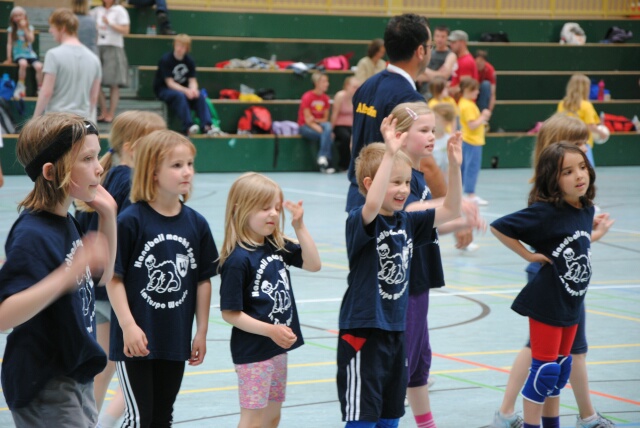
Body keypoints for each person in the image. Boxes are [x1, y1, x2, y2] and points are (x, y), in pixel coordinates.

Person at [489, 113, 616, 428]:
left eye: (583, 163)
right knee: (545, 369)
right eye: (570, 167)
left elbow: (573, 243)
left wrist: (595, 234)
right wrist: (528, 255)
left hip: (570, 296)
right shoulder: (546, 209)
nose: (580, 170)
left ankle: (525, 416)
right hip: (548, 293)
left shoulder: (584, 207)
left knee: (559, 368)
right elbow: (500, 226)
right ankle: (547, 419)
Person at [337, 113, 463, 427]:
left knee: (391, 417)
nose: (403, 189)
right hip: (364, 332)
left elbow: (451, 209)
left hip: (396, 331)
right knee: (363, 418)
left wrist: (455, 166)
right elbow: (372, 204)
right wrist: (391, 152)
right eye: (395, 182)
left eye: (406, 182)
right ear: (371, 184)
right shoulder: (360, 219)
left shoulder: (406, 221)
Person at [0, 112, 117, 427]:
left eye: (97, 155)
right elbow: (4, 316)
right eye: (87, 159)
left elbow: (102, 278)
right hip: (46, 384)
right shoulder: (33, 233)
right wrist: (67, 275)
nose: (99, 167)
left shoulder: (66, 221)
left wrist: (109, 216)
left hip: (75, 376)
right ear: (51, 172)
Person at [106, 130, 218, 426]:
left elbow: (203, 280)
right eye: (177, 165)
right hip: (135, 341)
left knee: (161, 417)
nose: (187, 172)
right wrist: (128, 326)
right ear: (153, 172)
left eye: (190, 164)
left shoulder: (196, 223)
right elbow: (113, 279)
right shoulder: (130, 220)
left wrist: (201, 331)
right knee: (139, 418)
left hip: (174, 338)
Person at [393, 102, 483, 428]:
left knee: (419, 364)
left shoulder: (419, 176)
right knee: (404, 364)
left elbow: (428, 224)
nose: (432, 136)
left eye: (433, 130)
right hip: (404, 284)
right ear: (400, 135)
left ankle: (426, 423)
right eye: (424, 130)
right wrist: (451, 207)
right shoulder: (399, 178)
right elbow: (408, 212)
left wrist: (459, 220)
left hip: (421, 279)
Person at [74, 110, 167, 427]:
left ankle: (91, 422)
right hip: (118, 291)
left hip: (98, 288)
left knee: (106, 365)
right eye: (157, 143)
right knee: (137, 363)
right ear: (133, 146)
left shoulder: (109, 175)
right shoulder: (131, 183)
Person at [218, 172, 322, 428]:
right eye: (265, 208)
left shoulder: (276, 245)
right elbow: (230, 313)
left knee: (272, 417)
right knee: (253, 420)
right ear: (241, 209)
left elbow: (314, 264)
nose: (273, 214)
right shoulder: (238, 260)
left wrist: (299, 226)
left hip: (277, 348)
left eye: (276, 207)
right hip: (254, 353)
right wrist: (270, 330)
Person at [347, 13, 443, 212]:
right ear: (420, 51)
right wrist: (451, 207)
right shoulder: (410, 99)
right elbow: (425, 163)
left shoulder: (366, 86)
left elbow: (353, 143)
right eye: (430, 46)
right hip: (390, 208)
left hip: (358, 200)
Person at [33, 8, 102, 120]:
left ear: (62, 28)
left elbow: (46, 92)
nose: (50, 31)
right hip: (83, 122)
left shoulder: (53, 55)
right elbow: (93, 98)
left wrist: (35, 119)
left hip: (57, 121)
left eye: (52, 27)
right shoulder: (94, 59)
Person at [154, 34, 217, 136]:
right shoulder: (166, 60)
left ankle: (207, 126)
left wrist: (193, 90)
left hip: (183, 90)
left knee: (200, 95)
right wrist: (186, 90)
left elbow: (192, 80)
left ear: (187, 48)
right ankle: (188, 126)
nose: (179, 49)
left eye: (182, 46)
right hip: (164, 90)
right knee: (180, 96)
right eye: (178, 45)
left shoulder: (189, 61)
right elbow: (170, 83)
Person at [90, 0, 130, 123]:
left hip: (114, 45)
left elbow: (126, 30)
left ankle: (111, 113)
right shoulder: (97, 11)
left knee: (114, 82)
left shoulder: (120, 10)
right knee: (96, 81)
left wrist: (110, 23)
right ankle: (103, 111)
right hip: (98, 45)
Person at [557, 74, 608, 167]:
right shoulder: (586, 105)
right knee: (586, 169)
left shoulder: (562, 104)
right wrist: (602, 133)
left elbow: (559, 122)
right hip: (582, 143)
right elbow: (591, 126)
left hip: (565, 143)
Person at [459, 77, 492, 205]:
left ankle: (460, 193)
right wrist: (483, 116)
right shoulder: (468, 106)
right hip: (472, 141)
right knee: (471, 167)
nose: (477, 92)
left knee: (464, 168)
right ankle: (470, 193)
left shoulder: (466, 103)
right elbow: (472, 125)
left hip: (469, 140)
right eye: (474, 90)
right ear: (467, 90)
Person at [298, 71, 335, 174]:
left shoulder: (326, 98)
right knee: (328, 137)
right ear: (316, 83)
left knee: (327, 126)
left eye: (327, 81)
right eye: (324, 81)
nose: (327, 84)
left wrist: (317, 122)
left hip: (320, 124)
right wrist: (322, 131)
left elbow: (325, 119)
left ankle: (322, 158)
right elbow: (308, 120)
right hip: (305, 126)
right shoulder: (307, 96)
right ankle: (327, 164)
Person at [4, 6, 43, 98]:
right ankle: (21, 86)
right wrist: (9, 57)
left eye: (20, 15)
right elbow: (9, 44)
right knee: (23, 64)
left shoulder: (29, 28)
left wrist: (25, 28)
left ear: (25, 17)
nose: (18, 18)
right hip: (19, 54)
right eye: (16, 16)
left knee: (39, 66)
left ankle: (40, 88)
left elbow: (31, 40)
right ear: (12, 18)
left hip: (30, 54)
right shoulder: (11, 30)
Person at [416, 25, 457, 95]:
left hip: (439, 94)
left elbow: (444, 76)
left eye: (443, 36)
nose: (439, 39)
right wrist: (437, 75)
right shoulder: (428, 52)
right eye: (437, 36)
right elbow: (418, 76)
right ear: (433, 37)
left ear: (447, 38)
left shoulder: (451, 55)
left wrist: (425, 70)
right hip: (423, 92)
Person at [331, 76, 361, 171]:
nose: (356, 89)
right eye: (354, 87)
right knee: (346, 138)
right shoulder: (340, 96)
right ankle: (343, 165)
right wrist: (331, 130)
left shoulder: (358, 97)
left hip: (352, 126)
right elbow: (334, 114)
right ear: (347, 86)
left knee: (358, 137)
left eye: (358, 87)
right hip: (340, 126)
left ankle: (357, 165)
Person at [447, 30, 478, 98]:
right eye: (450, 42)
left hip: (461, 103)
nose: (451, 45)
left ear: (462, 43)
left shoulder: (466, 61)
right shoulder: (460, 59)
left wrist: (447, 90)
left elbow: (465, 87)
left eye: (454, 42)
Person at [432, 102, 457, 172]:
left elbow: (450, 166)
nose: (433, 119)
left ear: (446, 122)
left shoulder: (449, 141)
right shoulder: (425, 139)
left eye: (437, 117)